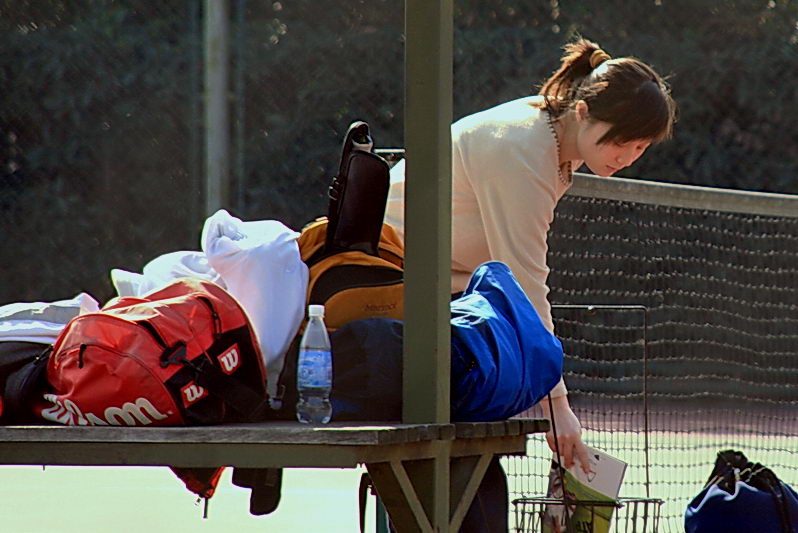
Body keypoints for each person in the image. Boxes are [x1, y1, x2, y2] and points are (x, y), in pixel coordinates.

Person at [384, 36, 677, 531]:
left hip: (446, 292)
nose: (628, 156)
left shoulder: (553, 141)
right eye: (621, 141)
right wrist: (557, 407)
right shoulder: (524, 148)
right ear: (582, 112)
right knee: (450, 447)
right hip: (389, 290)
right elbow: (523, 282)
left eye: (641, 147)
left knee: (469, 449)